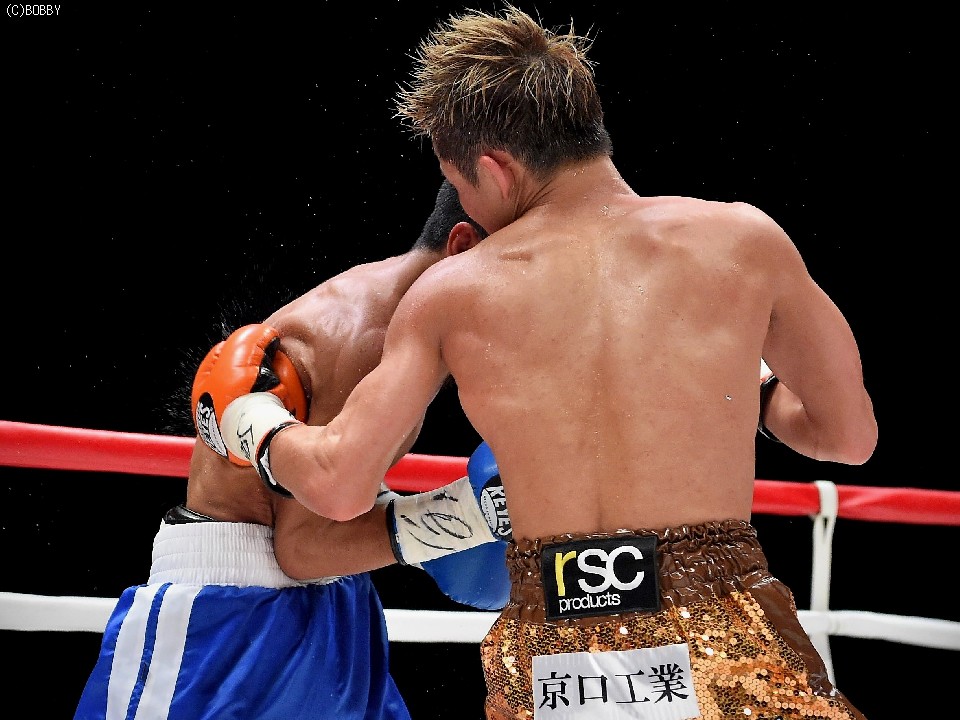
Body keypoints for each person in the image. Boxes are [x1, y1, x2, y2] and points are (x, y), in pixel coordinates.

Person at [206, 5, 878, 719]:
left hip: (556, 653)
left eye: (460, 184)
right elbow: (846, 436)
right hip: (720, 620)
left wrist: (251, 419)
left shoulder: (453, 292)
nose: (465, 208)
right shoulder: (745, 240)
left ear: (495, 171)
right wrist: (755, 383)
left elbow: (339, 486)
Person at [72, 180, 510, 720]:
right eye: (522, 271)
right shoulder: (360, 334)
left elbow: (335, 507)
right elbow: (302, 548)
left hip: (337, 603)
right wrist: (467, 517)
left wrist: (455, 523)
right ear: (462, 248)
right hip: (227, 621)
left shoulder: (418, 335)